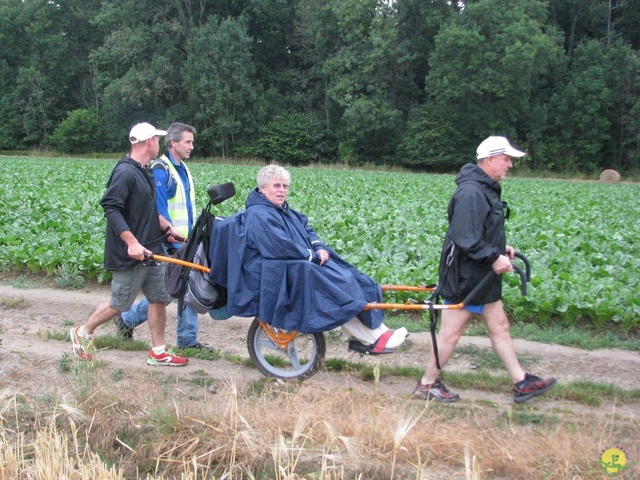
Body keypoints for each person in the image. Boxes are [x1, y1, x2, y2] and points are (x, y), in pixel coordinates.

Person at [412, 136, 556, 403]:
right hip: (467, 277)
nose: (510, 165)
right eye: (506, 159)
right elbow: (464, 236)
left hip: (481, 275)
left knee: (499, 326)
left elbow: (480, 230)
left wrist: (501, 248)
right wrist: (493, 256)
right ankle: (427, 384)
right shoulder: (471, 192)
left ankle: (521, 382)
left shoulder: (484, 188)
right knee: (451, 334)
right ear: (490, 160)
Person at [209, 164, 408, 352]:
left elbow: (305, 228)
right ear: (262, 188)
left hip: (291, 264)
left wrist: (318, 246)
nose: (282, 190)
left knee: (348, 276)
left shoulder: (283, 210)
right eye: (276, 186)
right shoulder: (258, 214)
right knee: (333, 285)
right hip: (271, 272)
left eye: (285, 186)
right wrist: (311, 255)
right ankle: (371, 337)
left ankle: (378, 331)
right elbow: (278, 246)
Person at [69, 122, 189, 367]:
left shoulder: (145, 170)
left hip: (152, 249)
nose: (159, 144)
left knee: (160, 297)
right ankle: (83, 331)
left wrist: (167, 229)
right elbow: (111, 208)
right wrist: (132, 243)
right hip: (130, 253)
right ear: (149, 143)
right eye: (157, 140)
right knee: (120, 302)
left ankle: (158, 351)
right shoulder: (125, 172)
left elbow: (151, 210)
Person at [112, 122, 213, 351]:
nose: (192, 146)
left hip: (184, 238)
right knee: (168, 291)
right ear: (173, 143)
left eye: (192, 142)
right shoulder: (161, 168)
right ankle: (126, 319)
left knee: (185, 286)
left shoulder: (183, 168)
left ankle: (186, 340)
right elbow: (158, 207)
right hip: (168, 240)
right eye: (188, 142)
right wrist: (168, 231)